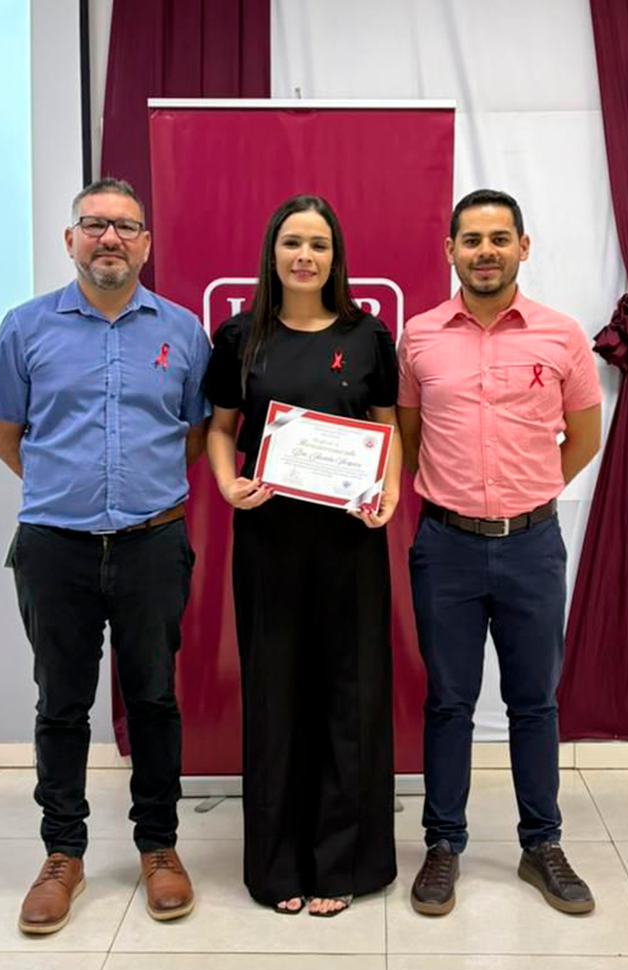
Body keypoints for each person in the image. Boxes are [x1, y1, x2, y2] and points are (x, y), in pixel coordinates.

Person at [0, 177, 210, 933]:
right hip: (55, 547)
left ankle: (159, 847)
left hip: (152, 544)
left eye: (126, 227)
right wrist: (67, 490)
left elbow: (192, 434)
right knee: (62, 703)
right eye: (94, 224)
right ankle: (63, 854)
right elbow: (5, 434)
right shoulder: (25, 328)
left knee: (153, 700)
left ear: (146, 244)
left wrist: (136, 491)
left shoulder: (183, 331)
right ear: (70, 239)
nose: (110, 238)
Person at [398, 189, 601, 916]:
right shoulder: (419, 336)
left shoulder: (562, 336)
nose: (485, 251)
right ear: (450, 251)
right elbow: (411, 438)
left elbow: (584, 437)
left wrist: (527, 493)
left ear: (523, 246)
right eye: (472, 240)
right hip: (445, 547)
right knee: (448, 701)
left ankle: (541, 844)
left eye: (499, 238)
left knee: (534, 703)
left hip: (532, 547)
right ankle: (443, 844)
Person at [203, 194, 401, 916]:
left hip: (350, 540)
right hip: (270, 538)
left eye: (318, 244)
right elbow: (221, 429)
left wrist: (390, 493)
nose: (305, 256)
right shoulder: (239, 337)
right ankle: (277, 865)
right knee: (276, 693)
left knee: (350, 694)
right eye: (292, 243)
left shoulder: (367, 335)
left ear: (335, 256)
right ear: (272, 253)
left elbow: (387, 425)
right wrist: (227, 484)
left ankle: (342, 862)